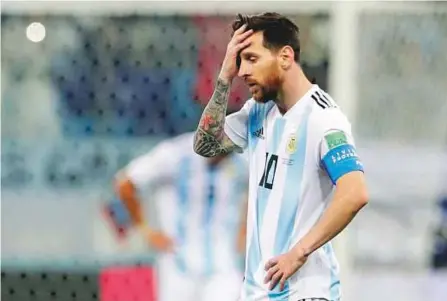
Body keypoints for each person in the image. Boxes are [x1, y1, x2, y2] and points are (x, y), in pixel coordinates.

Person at [193, 12, 369, 301]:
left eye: (251, 59)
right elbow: (205, 146)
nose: (242, 71)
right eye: (239, 61)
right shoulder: (258, 112)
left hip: (305, 292)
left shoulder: (323, 118)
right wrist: (223, 78)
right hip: (259, 292)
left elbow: (355, 193)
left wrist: (298, 253)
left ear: (285, 57)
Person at [114, 132, 248, 301]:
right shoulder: (174, 154)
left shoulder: (241, 159)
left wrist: (245, 227)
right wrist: (146, 230)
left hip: (223, 264)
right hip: (178, 264)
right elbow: (125, 183)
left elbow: (261, 189)